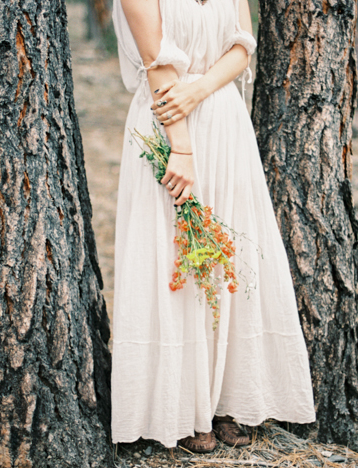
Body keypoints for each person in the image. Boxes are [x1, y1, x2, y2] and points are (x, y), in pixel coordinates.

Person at [111, 0, 316, 453]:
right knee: (175, 260)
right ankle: (181, 407)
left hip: (224, 123)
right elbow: (157, 63)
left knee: (226, 262)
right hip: (168, 125)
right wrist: (181, 150)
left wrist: (200, 89)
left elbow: (243, 48)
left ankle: (225, 398)